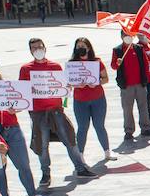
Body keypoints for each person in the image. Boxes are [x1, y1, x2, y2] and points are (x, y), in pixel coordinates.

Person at [0, 60, 51, 196]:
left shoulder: (7, 86)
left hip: (13, 128)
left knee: (23, 164)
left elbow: (21, 101)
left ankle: (32, 195)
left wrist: (16, 108)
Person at [20, 38, 95, 187]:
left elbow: (64, 85)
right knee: (42, 145)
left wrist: (68, 87)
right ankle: (45, 174)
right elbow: (22, 90)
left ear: (45, 48)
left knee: (70, 139)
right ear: (30, 51)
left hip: (56, 110)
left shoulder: (55, 66)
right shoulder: (26, 69)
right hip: (38, 112)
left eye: (40, 47)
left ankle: (80, 168)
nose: (37, 50)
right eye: (34, 48)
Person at [69, 37, 115, 163]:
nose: (81, 49)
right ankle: (80, 155)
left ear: (88, 48)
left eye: (83, 46)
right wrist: (77, 85)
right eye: (78, 47)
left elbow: (106, 78)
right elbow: (68, 82)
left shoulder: (96, 62)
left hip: (97, 99)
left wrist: (97, 82)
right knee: (82, 127)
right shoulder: (72, 64)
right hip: (80, 100)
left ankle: (107, 151)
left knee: (99, 125)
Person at [111, 29, 150, 141]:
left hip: (140, 84)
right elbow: (113, 66)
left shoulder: (139, 49)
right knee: (127, 109)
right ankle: (129, 130)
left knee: (143, 106)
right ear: (121, 36)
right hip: (126, 85)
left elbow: (146, 64)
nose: (128, 37)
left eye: (130, 35)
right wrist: (117, 63)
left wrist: (145, 80)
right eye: (125, 35)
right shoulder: (118, 50)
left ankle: (146, 128)